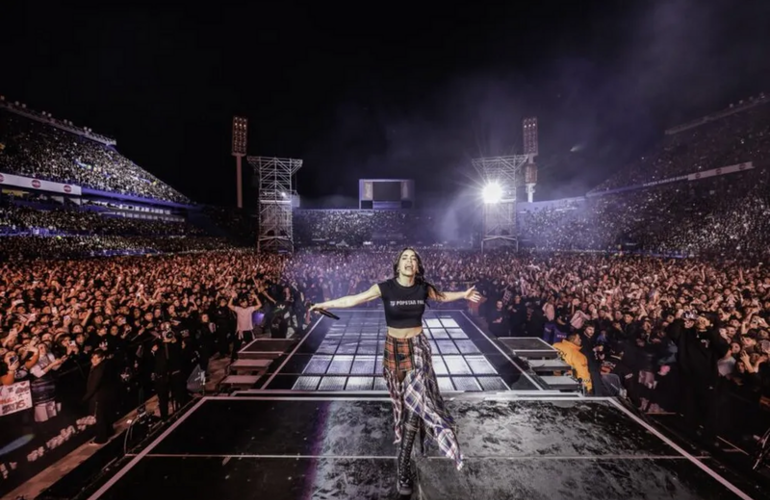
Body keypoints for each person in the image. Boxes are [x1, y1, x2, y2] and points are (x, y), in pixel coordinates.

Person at [310, 247, 480, 496]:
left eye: (413, 258)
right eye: (405, 258)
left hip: (418, 349)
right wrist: (323, 304)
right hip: (393, 350)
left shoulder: (423, 287)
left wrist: (464, 293)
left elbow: (443, 296)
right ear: (397, 264)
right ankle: (411, 443)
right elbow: (353, 299)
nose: (409, 261)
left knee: (417, 402)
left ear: (418, 266)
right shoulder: (385, 287)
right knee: (404, 403)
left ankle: (403, 465)